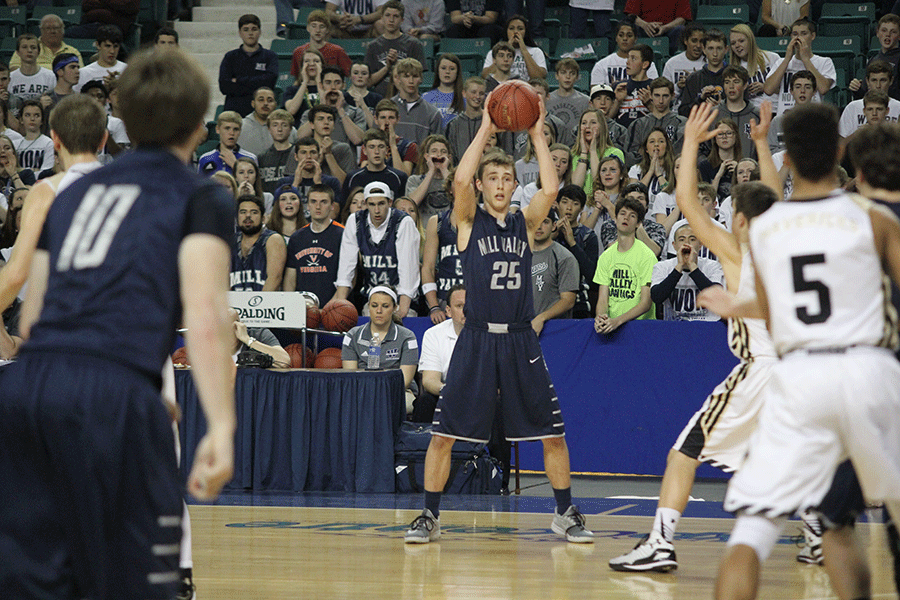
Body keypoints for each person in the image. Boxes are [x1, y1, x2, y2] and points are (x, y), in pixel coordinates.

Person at [0, 47, 236, 600]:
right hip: (112, 395)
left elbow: (32, 321)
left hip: (27, 390)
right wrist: (220, 426)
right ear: (200, 123)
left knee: (37, 581)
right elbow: (204, 315)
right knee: (136, 580)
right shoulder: (201, 196)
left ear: (121, 119)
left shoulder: (70, 193)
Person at [701, 102, 900, 600]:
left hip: (799, 379)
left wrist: (736, 304)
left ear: (786, 158)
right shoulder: (871, 216)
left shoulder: (765, 229)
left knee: (753, 531)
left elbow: (772, 310)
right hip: (868, 369)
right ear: (840, 151)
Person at [404, 90, 593, 545]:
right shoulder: (468, 221)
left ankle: (564, 511)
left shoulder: (527, 224)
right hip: (476, 341)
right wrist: (489, 124)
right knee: (445, 434)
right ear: (484, 186)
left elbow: (550, 188)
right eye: (494, 178)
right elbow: (460, 180)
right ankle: (429, 515)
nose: (502, 184)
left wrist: (534, 132)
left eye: (508, 178)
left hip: (520, 339)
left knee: (552, 432)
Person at [609, 99, 780, 573]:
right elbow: (775, 194)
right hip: (803, 369)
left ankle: (660, 543)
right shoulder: (787, 238)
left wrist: (688, 141)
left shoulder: (736, 248)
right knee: (797, 456)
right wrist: (762, 143)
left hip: (762, 369)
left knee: (684, 450)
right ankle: (817, 536)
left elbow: (686, 203)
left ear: (739, 221)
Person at [335, 181, 420, 317]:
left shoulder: (403, 222)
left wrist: (403, 310)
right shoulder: (355, 221)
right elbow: (346, 267)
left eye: (381, 204)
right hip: (371, 298)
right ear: (365, 204)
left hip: (400, 298)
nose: (376, 210)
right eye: (372, 204)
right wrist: (340, 304)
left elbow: (408, 268)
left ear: (390, 203)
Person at [593, 194, 656, 333]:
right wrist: (600, 318)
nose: (626, 218)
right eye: (622, 213)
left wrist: (618, 321)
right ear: (615, 219)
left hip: (641, 329)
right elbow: (603, 299)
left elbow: (646, 303)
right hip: (612, 327)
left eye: (632, 215)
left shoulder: (647, 256)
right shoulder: (605, 257)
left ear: (638, 224)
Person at [283, 183, 344, 308]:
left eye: (323, 202)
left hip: (334, 308)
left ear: (332, 206)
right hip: (302, 308)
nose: (318, 206)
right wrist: (290, 306)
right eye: (313, 201)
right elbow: (290, 279)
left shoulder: (343, 235)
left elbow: (349, 278)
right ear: (307, 205)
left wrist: (330, 308)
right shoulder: (297, 238)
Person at [762, 18, 835, 118]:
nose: (798, 37)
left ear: (812, 36)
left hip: (813, 117)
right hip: (785, 118)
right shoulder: (781, 62)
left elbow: (823, 89)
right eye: (795, 34)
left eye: (803, 33)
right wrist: (787, 58)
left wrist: (805, 59)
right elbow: (768, 89)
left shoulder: (825, 62)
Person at [414, 283, 466, 421]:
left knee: (498, 402)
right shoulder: (434, 334)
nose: (465, 311)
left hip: (479, 395)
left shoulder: (488, 334)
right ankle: (421, 442)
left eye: (468, 305)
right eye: (459, 306)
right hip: (446, 391)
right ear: (448, 311)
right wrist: (450, 391)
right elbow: (429, 380)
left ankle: (497, 444)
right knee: (425, 401)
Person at [529, 207, 579, 333]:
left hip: (554, 330)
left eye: (545, 222)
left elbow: (568, 300)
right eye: (536, 221)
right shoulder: (519, 255)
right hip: (523, 329)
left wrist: (541, 318)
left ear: (554, 226)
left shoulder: (564, 257)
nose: (539, 226)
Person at [218, 14, 278, 117]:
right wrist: (257, 82)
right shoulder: (230, 57)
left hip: (261, 114)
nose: (250, 33)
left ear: (260, 32)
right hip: (234, 113)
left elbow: (269, 83)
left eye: (254, 29)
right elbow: (224, 87)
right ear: (240, 33)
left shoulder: (270, 56)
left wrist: (239, 81)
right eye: (246, 30)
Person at [364, 0, 426, 97]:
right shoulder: (373, 46)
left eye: (396, 16)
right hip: (380, 99)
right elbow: (368, 82)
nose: (391, 20)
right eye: (387, 15)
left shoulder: (413, 44)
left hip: (406, 98)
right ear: (382, 18)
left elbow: (419, 78)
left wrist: (397, 65)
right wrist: (387, 67)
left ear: (402, 20)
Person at [555, 184, 600, 319]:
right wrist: (553, 233)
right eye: (564, 202)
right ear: (557, 205)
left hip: (579, 304)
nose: (569, 208)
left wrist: (573, 243)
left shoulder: (587, 236)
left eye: (575, 204)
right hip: (548, 302)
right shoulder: (547, 233)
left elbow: (593, 278)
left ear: (581, 208)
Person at [625, 77, 686, 169]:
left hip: (673, 173)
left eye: (665, 96)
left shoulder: (682, 123)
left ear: (673, 96)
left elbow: (681, 153)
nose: (661, 101)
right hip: (643, 172)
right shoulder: (638, 124)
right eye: (657, 95)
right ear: (650, 96)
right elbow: (630, 156)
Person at [230, 195, 287, 291]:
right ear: (237, 218)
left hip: (266, 304)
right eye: (243, 212)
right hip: (234, 304)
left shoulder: (272, 239)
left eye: (254, 212)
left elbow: (275, 278)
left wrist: (258, 305)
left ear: (263, 218)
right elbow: (222, 279)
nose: (248, 216)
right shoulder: (231, 241)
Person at [277, 136, 343, 219]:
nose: (308, 156)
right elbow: (280, 214)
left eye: (313, 152)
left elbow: (332, 215)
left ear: (319, 156)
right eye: (303, 152)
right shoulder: (283, 183)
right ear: (296, 156)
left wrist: (318, 185)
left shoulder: (332, 182)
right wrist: (295, 184)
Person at [342, 128, 409, 200]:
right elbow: (345, 208)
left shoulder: (400, 177)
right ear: (364, 150)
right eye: (372, 147)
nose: (376, 151)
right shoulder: (352, 178)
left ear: (387, 150)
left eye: (381, 147)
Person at [390, 58, 443, 149]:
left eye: (415, 76)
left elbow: (436, 147)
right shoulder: (387, 107)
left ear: (421, 79)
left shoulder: (432, 113)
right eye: (406, 76)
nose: (411, 81)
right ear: (398, 79)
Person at [839, 61, 900, 138]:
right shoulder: (852, 107)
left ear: (891, 81)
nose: (878, 85)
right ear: (867, 81)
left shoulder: (898, 107)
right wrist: (858, 134)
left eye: (883, 80)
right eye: (874, 80)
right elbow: (840, 144)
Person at [591, 20, 659, 87]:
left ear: (635, 39)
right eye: (621, 35)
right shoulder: (601, 65)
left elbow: (655, 90)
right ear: (616, 38)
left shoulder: (647, 65)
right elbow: (595, 94)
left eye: (629, 35)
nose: (625, 38)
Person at [849, 14, 900, 101]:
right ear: (877, 33)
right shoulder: (873, 59)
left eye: (893, 32)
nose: (887, 34)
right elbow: (866, 95)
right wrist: (857, 88)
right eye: (884, 30)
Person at [728, 25, 779, 112]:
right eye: (733, 43)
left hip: (774, 109)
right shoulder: (733, 68)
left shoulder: (772, 58)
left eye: (741, 41)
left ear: (750, 40)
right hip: (751, 113)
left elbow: (785, 89)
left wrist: (765, 87)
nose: (737, 45)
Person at [678, 29, 728, 118]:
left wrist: (723, 106)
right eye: (710, 48)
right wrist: (700, 99)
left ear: (726, 50)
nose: (715, 54)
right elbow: (683, 112)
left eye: (719, 48)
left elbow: (743, 108)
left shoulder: (734, 76)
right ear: (704, 50)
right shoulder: (694, 79)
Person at [481, 15, 547, 81]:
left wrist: (524, 50)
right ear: (506, 31)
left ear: (526, 32)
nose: (515, 32)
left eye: (520, 29)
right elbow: (485, 76)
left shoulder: (536, 51)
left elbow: (539, 77)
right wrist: (507, 47)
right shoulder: (494, 52)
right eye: (511, 28)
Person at [361, 99, 418, 175]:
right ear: (376, 119)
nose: (387, 122)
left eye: (391, 118)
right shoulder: (368, 144)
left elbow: (404, 176)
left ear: (398, 119)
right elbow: (362, 173)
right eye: (383, 118)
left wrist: (393, 145)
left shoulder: (409, 146)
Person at [290, 10, 352, 79]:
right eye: (314, 26)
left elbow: (349, 76)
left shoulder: (338, 51)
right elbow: (296, 78)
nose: (318, 30)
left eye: (322, 27)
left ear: (327, 30)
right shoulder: (298, 52)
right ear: (308, 28)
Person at [715, 65, 760, 160]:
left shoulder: (757, 115)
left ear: (745, 85)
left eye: (736, 82)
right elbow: (701, 148)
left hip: (748, 172)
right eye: (727, 82)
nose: (731, 86)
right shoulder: (712, 114)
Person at [9, 14, 83, 71]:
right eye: (48, 28)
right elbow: (14, 68)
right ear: (41, 30)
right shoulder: (28, 47)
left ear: (63, 30)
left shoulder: (73, 51)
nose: (52, 31)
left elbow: (80, 72)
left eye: (56, 28)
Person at [406, 134, 453, 223]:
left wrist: (444, 169)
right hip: (424, 232)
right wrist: (431, 171)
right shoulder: (414, 180)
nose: (439, 155)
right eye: (434, 151)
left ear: (449, 158)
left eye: (443, 152)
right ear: (427, 156)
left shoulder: (456, 180)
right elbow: (412, 203)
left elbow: (462, 199)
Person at [239, 87, 297, 158]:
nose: (265, 103)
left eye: (270, 100)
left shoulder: (289, 129)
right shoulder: (239, 126)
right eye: (261, 100)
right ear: (253, 103)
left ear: (275, 104)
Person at [198, 110, 257, 176]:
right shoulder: (205, 158)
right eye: (227, 128)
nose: (231, 133)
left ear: (240, 131)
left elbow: (253, 185)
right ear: (217, 129)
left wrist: (236, 166)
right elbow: (198, 185)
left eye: (236, 129)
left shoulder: (250, 158)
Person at [546, 58, 591, 144]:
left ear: (577, 77)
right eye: (563, 72)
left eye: (572, 73)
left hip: (577, 146)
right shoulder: (547, 99)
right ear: (556, 76)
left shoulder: (585, 101)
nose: (568, 77)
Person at [663, 22, 706, 112]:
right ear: (686, 41)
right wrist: (678, 87)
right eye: (694, 41)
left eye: (701, 41)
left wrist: (694, 83)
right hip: (675, 112)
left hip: (701, 112)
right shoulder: (672, 63)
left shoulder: (708, 64)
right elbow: (663, 96)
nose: (698, 45)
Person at [610, 43, 654, 129]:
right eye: (628, 58)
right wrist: (617, 102)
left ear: (645, 64)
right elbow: (607, 119)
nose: (627, 62)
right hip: (621, 137)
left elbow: (662, 118)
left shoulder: (654, 87)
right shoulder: (619, 87)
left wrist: (649, 104)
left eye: (633, 58)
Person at [625, 0, 692, 55]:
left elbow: (682, 18)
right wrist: (645, 25)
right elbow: (631, 14)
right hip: (644, 30)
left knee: (680, 29)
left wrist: (665, 27)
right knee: (630, 28)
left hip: (669, 31)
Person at [258, 109, 299, 194]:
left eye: (284, 125)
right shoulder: (261, 157)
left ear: (290, 129)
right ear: (269, 129)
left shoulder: (298, 154)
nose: (279, 129)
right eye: (275, 125)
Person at [9, 34, 56, 103]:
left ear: (38, 52)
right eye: (24, 47)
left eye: (33, 47)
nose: (29, 50)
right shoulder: (10, 78)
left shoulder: (51, 77)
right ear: (17, 52)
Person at [423, 54, 465, 131]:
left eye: (452, 69)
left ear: (457, 72)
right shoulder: (426, 97)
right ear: (438, 71)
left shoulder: (464, 97)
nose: (447, 72)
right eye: (443, 68)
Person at [16, 100, 54, 173]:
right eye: (27, 115)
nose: (32, 119)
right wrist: (33, 170)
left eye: (36, 115)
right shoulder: (15, 144)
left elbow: (45, 172)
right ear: (21, 120)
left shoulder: (48, 143)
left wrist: (21, 170)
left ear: (42, 120)